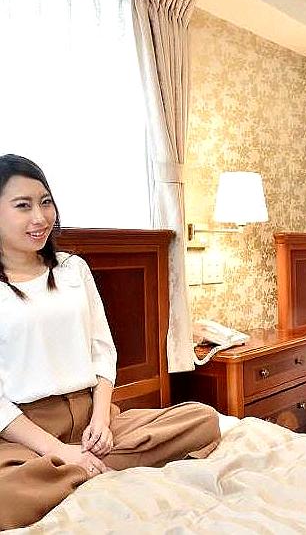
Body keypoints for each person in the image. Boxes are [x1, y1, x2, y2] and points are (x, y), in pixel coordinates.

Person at [0, 154, 221, 529]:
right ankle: (85, 469)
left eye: (45, 202)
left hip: (94, 418)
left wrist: (101, 421)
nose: (40, 217)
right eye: (23, 206)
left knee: (203, 419)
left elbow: (102, 350)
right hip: (27, 433)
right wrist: (58, 450)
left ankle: (79, 470)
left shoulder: (72, 269)